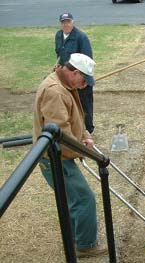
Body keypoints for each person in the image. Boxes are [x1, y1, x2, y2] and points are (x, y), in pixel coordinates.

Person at [33, 53, 107, 258]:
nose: (84, 85)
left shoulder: (66, 84)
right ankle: (85, 245)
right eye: (83, 80)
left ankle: (75, 237)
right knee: (84, 199)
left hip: (62, 154)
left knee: (74, 198)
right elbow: (60, 134)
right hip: (55, 157)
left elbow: (73, 118)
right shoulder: (55, 92)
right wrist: (84, 152)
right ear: (75, 72)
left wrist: (84, 135)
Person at [55, 12, 95, 134]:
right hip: (67, 78)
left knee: (84, 105)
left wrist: (84, 81)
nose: (66, 24)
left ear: (73, 22)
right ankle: (76, 129)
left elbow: (87, 60)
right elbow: (59, 54)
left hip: (80, 79)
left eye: (68, 21)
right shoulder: (58, 35)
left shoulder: (81, 37)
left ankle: (88, 131)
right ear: (61, 23)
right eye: (63, 22)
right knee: (71, 105)